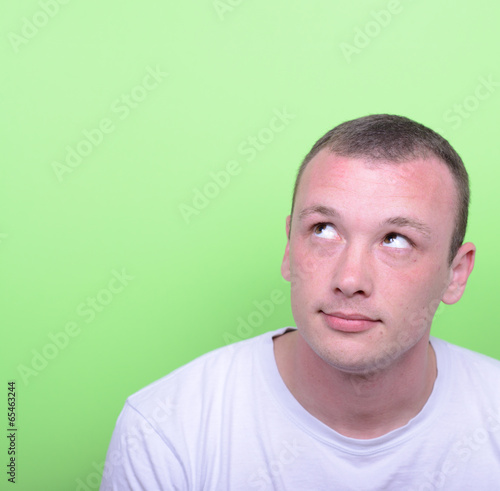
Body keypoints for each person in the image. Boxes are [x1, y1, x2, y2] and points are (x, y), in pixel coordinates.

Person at [100, 114, 500, 490]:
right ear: (290, 248)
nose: (349, 280)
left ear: (456, 273)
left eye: (396, 240)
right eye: (324, 230)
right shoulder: (165, 429)